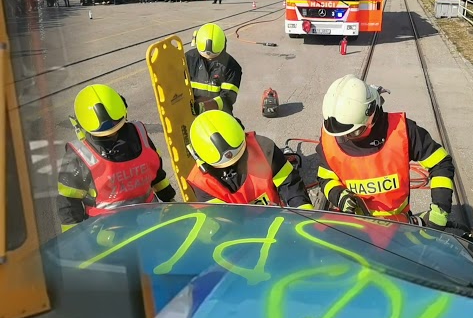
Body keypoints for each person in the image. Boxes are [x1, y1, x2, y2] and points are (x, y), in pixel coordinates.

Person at [318, 74, 457, 227]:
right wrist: (339, 196)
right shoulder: (330, 138)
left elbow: (441, 163)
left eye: (354, 132)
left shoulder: (402, 131)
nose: (346, 137)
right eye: (342, 134)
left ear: (371, 114)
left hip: (397, 224)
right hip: (356, 226)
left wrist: (439, 213)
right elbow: (326, 178)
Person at [57, 84, 176, 231]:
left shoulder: (139, 134)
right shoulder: (79, 154)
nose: (113, 134)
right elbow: (68, 202)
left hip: (150, 222)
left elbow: (157, 174)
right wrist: (75, 238)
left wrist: (170, 199)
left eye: (118, 129)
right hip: (107, 232)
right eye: (105, 135)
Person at [184, 110, 313, 208]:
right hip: (239, 231)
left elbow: (290, 184)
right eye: (226, 166)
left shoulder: (264, 148)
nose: (235, 165)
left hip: (276, 218)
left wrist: (305, 213)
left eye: (240, 157)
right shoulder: (202, 182)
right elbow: (219, 220)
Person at [186, 23, 242, 115]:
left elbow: (228, 98)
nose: (210, 59)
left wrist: (205, 106)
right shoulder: (188, 59)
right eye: (205, 57)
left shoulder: (232, 67)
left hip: (218, 114)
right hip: (190, 114)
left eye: (215, 57)